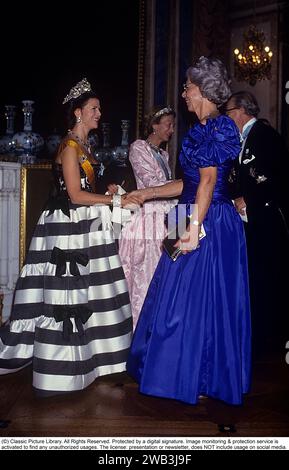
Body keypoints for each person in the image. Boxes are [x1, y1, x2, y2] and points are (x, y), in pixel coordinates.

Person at [0, 78, 141, 396]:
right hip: (67, 229)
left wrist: (108, 191)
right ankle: (61, 372)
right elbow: (75, 195)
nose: (99, 113)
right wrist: (115, 201)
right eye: (94, 108)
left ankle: (93, 362)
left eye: (99, 108)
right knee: (69, 298)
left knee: (92, 295)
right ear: (78, 113)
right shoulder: (69, 147)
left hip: (86, 226)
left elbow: (87, 190)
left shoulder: (86, 148)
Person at [126, 57, 251, 406]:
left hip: (207, 218)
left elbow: (210, 181)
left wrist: (194, 227)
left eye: (188, 87)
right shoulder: (202, 128)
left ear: (204, 90)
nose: (184, 93)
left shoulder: (218, 126)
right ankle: (181, 370)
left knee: (196, 297)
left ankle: (194, 374)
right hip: (190, 210)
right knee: (171, 290)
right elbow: (191, 181)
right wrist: (147, 193)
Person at [225, 91, 289, 357]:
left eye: (228, 112)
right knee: (253, 281)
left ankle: (270, 343)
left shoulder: (264, 135)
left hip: (266, 223)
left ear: (240, 111)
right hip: (248, 224)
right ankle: (255, 339)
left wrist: (248, 199)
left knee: (267, 281)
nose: (227, 118)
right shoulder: (239, 140)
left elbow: (279, 177)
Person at [118, 106, 177, 329]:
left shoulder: (164, 154)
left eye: (172, 125)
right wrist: (183, 185)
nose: (171, 129)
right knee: (146, 277)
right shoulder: (138, 147)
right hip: (148, 218)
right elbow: (152, 184)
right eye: (168, 124)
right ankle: (140, 332)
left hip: (167, 215)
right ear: (154, 125)